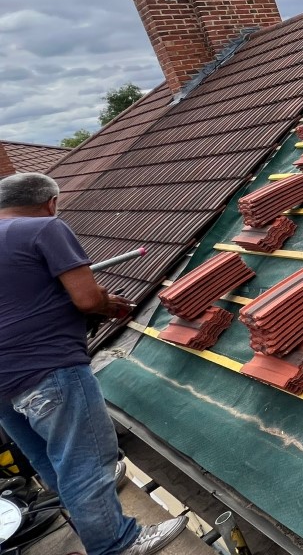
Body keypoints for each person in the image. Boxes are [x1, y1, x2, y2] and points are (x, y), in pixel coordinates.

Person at [0, 173, 187, 555]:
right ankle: (117, 543)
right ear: (51, 202)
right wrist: (108, 303)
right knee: (87, 461)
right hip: (46, 366)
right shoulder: (45, 227)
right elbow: (86, 300)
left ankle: (87, 509)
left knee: (48, 456)